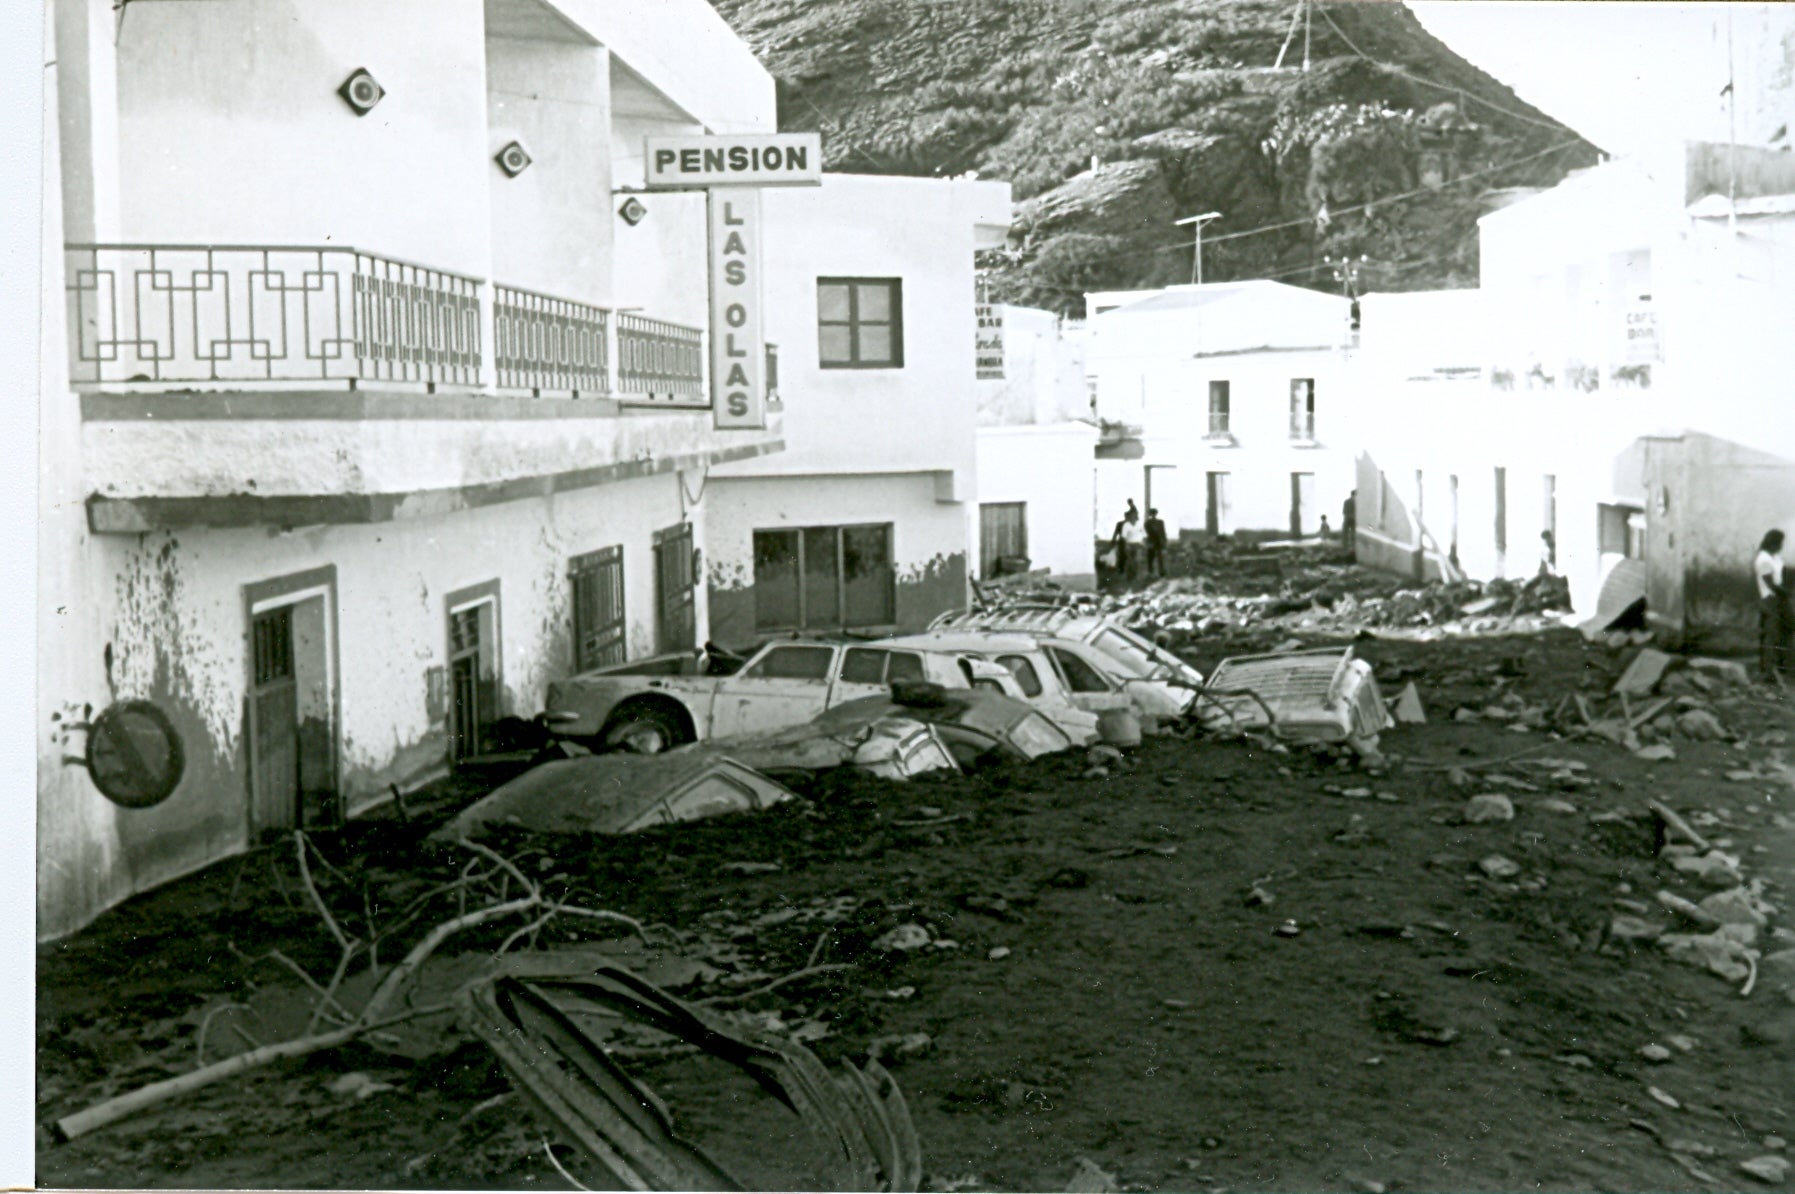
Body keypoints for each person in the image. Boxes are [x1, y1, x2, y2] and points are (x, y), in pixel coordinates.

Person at [1755, 529, 1790, 682]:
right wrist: (1789, 593)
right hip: (1769, 599)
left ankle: (1778, 668)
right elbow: (1770, 583)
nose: (1782, 545)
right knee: (1771, 635)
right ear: (1773, 543)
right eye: (1780, 542)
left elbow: (1781, 573)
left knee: (1780, 633)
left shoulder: (1774, 557)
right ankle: (1768, 671)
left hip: (1777, 599)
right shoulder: (1763, 560)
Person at [1113, 508, 1147, 585]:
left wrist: (1144, 543)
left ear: (1136, 515)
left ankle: (1136, 577)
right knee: (1130, 561)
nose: (1133, 516)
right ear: (1129, 516)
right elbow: (1123, 537)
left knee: (1137, 561)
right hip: (1129, 545)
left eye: (1135, 515)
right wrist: (1126, 546)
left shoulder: (1140, 524)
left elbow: (1144, 535)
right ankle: (1130, 577)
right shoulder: (1126, 525)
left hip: (1138, 545)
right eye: (1131, 515)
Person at [1144, 508, 1168, 578]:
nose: (1153, 515)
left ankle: (1161, 572)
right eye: (1151, 514)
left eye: (1154, 513)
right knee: (1150, 557)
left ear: (1156, 514)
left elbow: (1163, 531)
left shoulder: (1160, 522)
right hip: (1152, 541)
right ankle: (1150, 572)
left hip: (1159, 541)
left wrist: (1164, 541)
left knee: (1160, 557)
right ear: (1150, 514)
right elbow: (1149, 532)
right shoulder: (1147, 523)